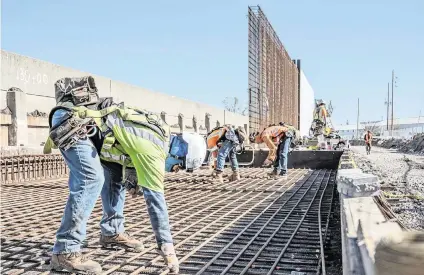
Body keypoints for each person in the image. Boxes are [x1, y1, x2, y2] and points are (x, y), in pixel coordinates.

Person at [43, 76, 179, 274]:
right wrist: (167, 246)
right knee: (92, 178)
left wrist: (132, 178)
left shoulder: (158, 134)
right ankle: (65, 250)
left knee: (117, 176)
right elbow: (155, 200)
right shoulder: (152, 150)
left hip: (90, 126)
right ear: (176, 157)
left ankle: (112, 232)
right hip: (73, 122)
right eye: (176, 167)